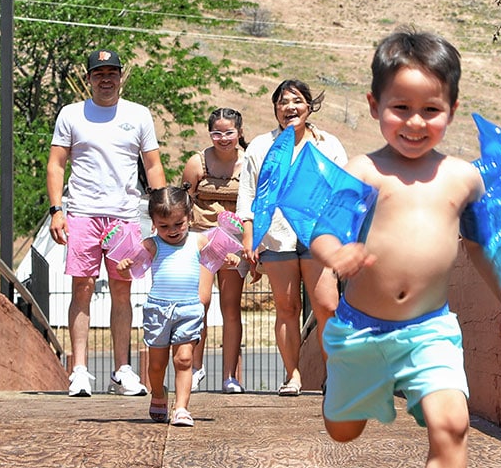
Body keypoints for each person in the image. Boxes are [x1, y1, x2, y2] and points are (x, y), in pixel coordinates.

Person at [309, 30, 501, 468]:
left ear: (452, 110)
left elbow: (484, 245)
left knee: (452, 422)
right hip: (360, 331)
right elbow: (322, 231)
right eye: (399, 108)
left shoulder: (461, 178)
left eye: (430, 110)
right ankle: (348, 392)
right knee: (342, 432)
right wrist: (339, 256)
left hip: (430, 328)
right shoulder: (362, 171)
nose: (414, 123)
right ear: (373, 105)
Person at [46, 48, 165, 398]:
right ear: (89, 79)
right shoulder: (71, 115)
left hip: (125, 214)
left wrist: (160, 211)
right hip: (82, 211)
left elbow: (153, 166)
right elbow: (56, 164)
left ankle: (122, 369)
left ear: (121, 76)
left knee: (122, 290)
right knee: (81, 287)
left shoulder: (138, 115)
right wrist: (57, 210)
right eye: (99, 73)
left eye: (112, 72)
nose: (106, 79)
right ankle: (79, 369)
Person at [236, 80, 346, 396]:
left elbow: (343, 189)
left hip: (319, 238)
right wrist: (249, 236)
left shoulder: (329, 144)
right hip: (276, 237)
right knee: (286, 307)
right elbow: (248, 194)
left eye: (296, 101)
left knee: (327, 306)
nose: (289, 108)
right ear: (275, 109)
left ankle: (335, 376)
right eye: (283, 102)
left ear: (309, 106)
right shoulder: (260, 145)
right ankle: (293, 376)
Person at [115, 186, 239, 427]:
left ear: (190, 218)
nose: (171, 231)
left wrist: (229, 259)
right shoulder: (152, 244)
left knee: (184, 359)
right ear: (153, 224)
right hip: (158, 311)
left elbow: (218, 255)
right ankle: (159, 393)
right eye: (164, 226)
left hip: (189, 310)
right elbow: (135, 261)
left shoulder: (198, 240)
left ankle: (181, 408)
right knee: (157, 364)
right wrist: (125, 264)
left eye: (178, 224)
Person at [181, 108, 247, 394]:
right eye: (217, 133)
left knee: (231, 307)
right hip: (202, 238)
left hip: (234, 242)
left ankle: (230, 376)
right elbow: (182, 202)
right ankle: (195, 368)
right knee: (200, 303)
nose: (223, 138)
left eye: (229, 132)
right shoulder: (197, 163)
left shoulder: (248, 163)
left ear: (239, 133)